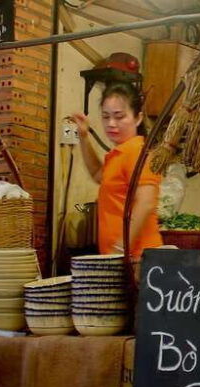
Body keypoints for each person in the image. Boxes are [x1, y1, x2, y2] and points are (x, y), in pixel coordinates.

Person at [72, 83, 162, 257]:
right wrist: (83, 137)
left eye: (119, 116)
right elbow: (98, 175)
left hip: (138, 258)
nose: (111, 123)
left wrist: (121, 248)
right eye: (106, 117)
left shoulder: (137, 151)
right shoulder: (119, 152)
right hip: (121, 256)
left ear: (138, 118)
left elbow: (146, 202)